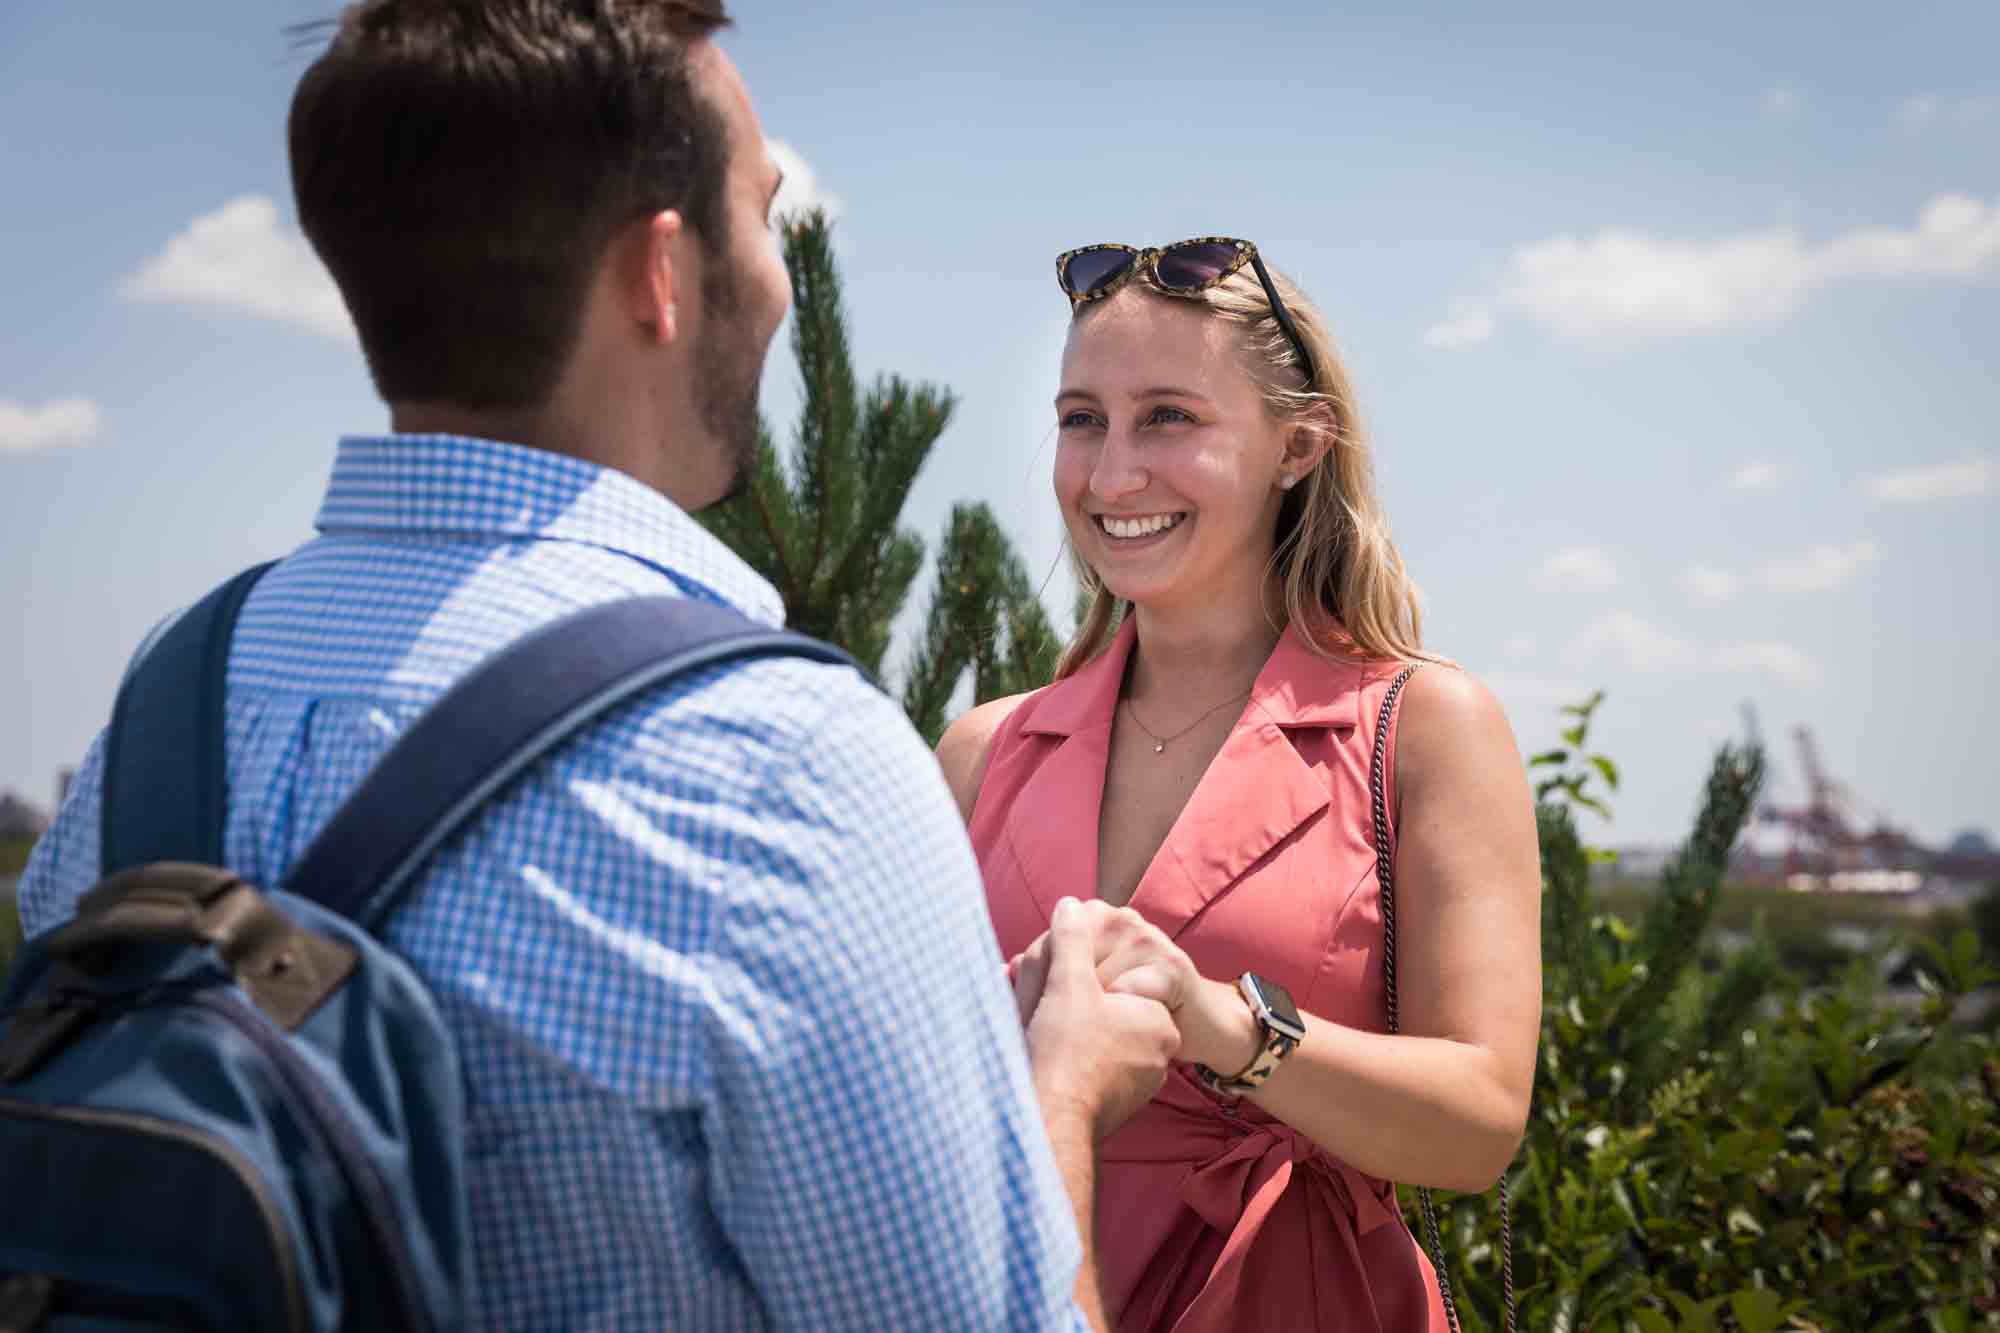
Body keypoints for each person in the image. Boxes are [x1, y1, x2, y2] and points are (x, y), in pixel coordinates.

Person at [17, 5, 1177, 1329]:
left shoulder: (167, 708)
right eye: (763, 211)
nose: (785, 274)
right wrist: (1061, 1092)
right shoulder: (780, 763)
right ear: (659, 276)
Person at [936, 239, 1543, 1332]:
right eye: (1081, 419)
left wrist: (1226, 1027)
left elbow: (1480, 1123)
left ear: (1297, 446)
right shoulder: (983, 753)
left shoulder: (1422, 729)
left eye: (1168, 416)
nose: (1111, 472)